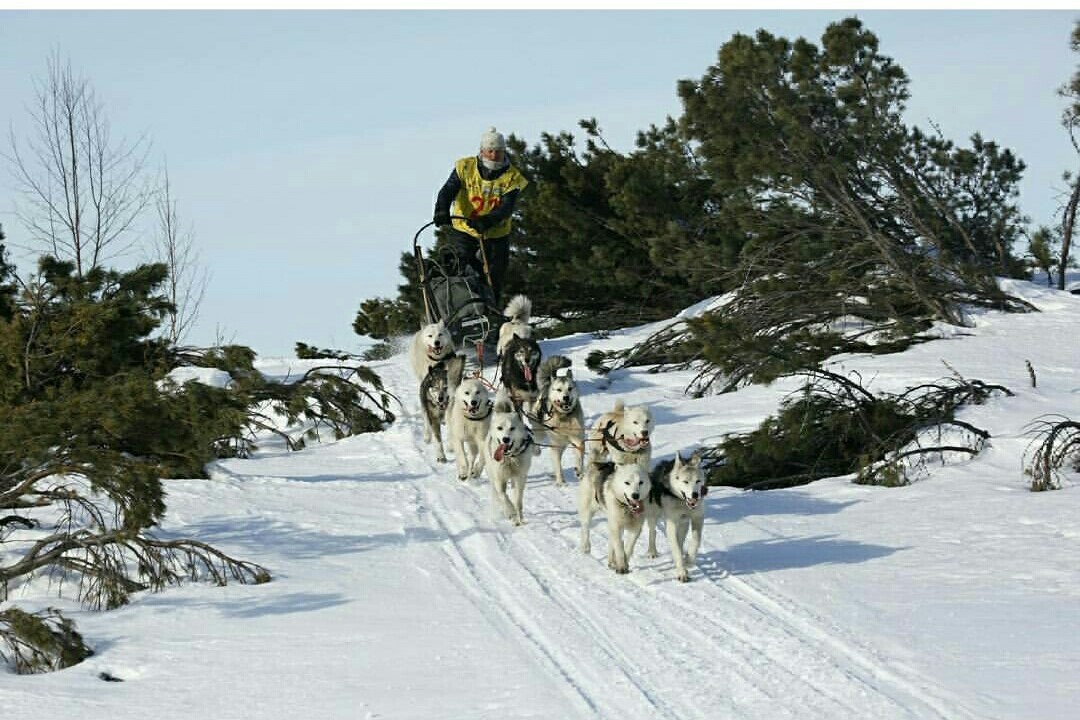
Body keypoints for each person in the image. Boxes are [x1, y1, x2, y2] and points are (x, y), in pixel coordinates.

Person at [432, 127, 528, 306]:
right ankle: (463, 310)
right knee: (459, 268)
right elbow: (447, 190)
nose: (493, 155)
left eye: (498, 152)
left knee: (494, 275)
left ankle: (492, 310)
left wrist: (487, 221)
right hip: (464, 229)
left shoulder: (512, 177)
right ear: (482, 151)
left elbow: (506, 207)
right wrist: (441, 210)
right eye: (490, 151)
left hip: (495, 233)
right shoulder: (465, 167)